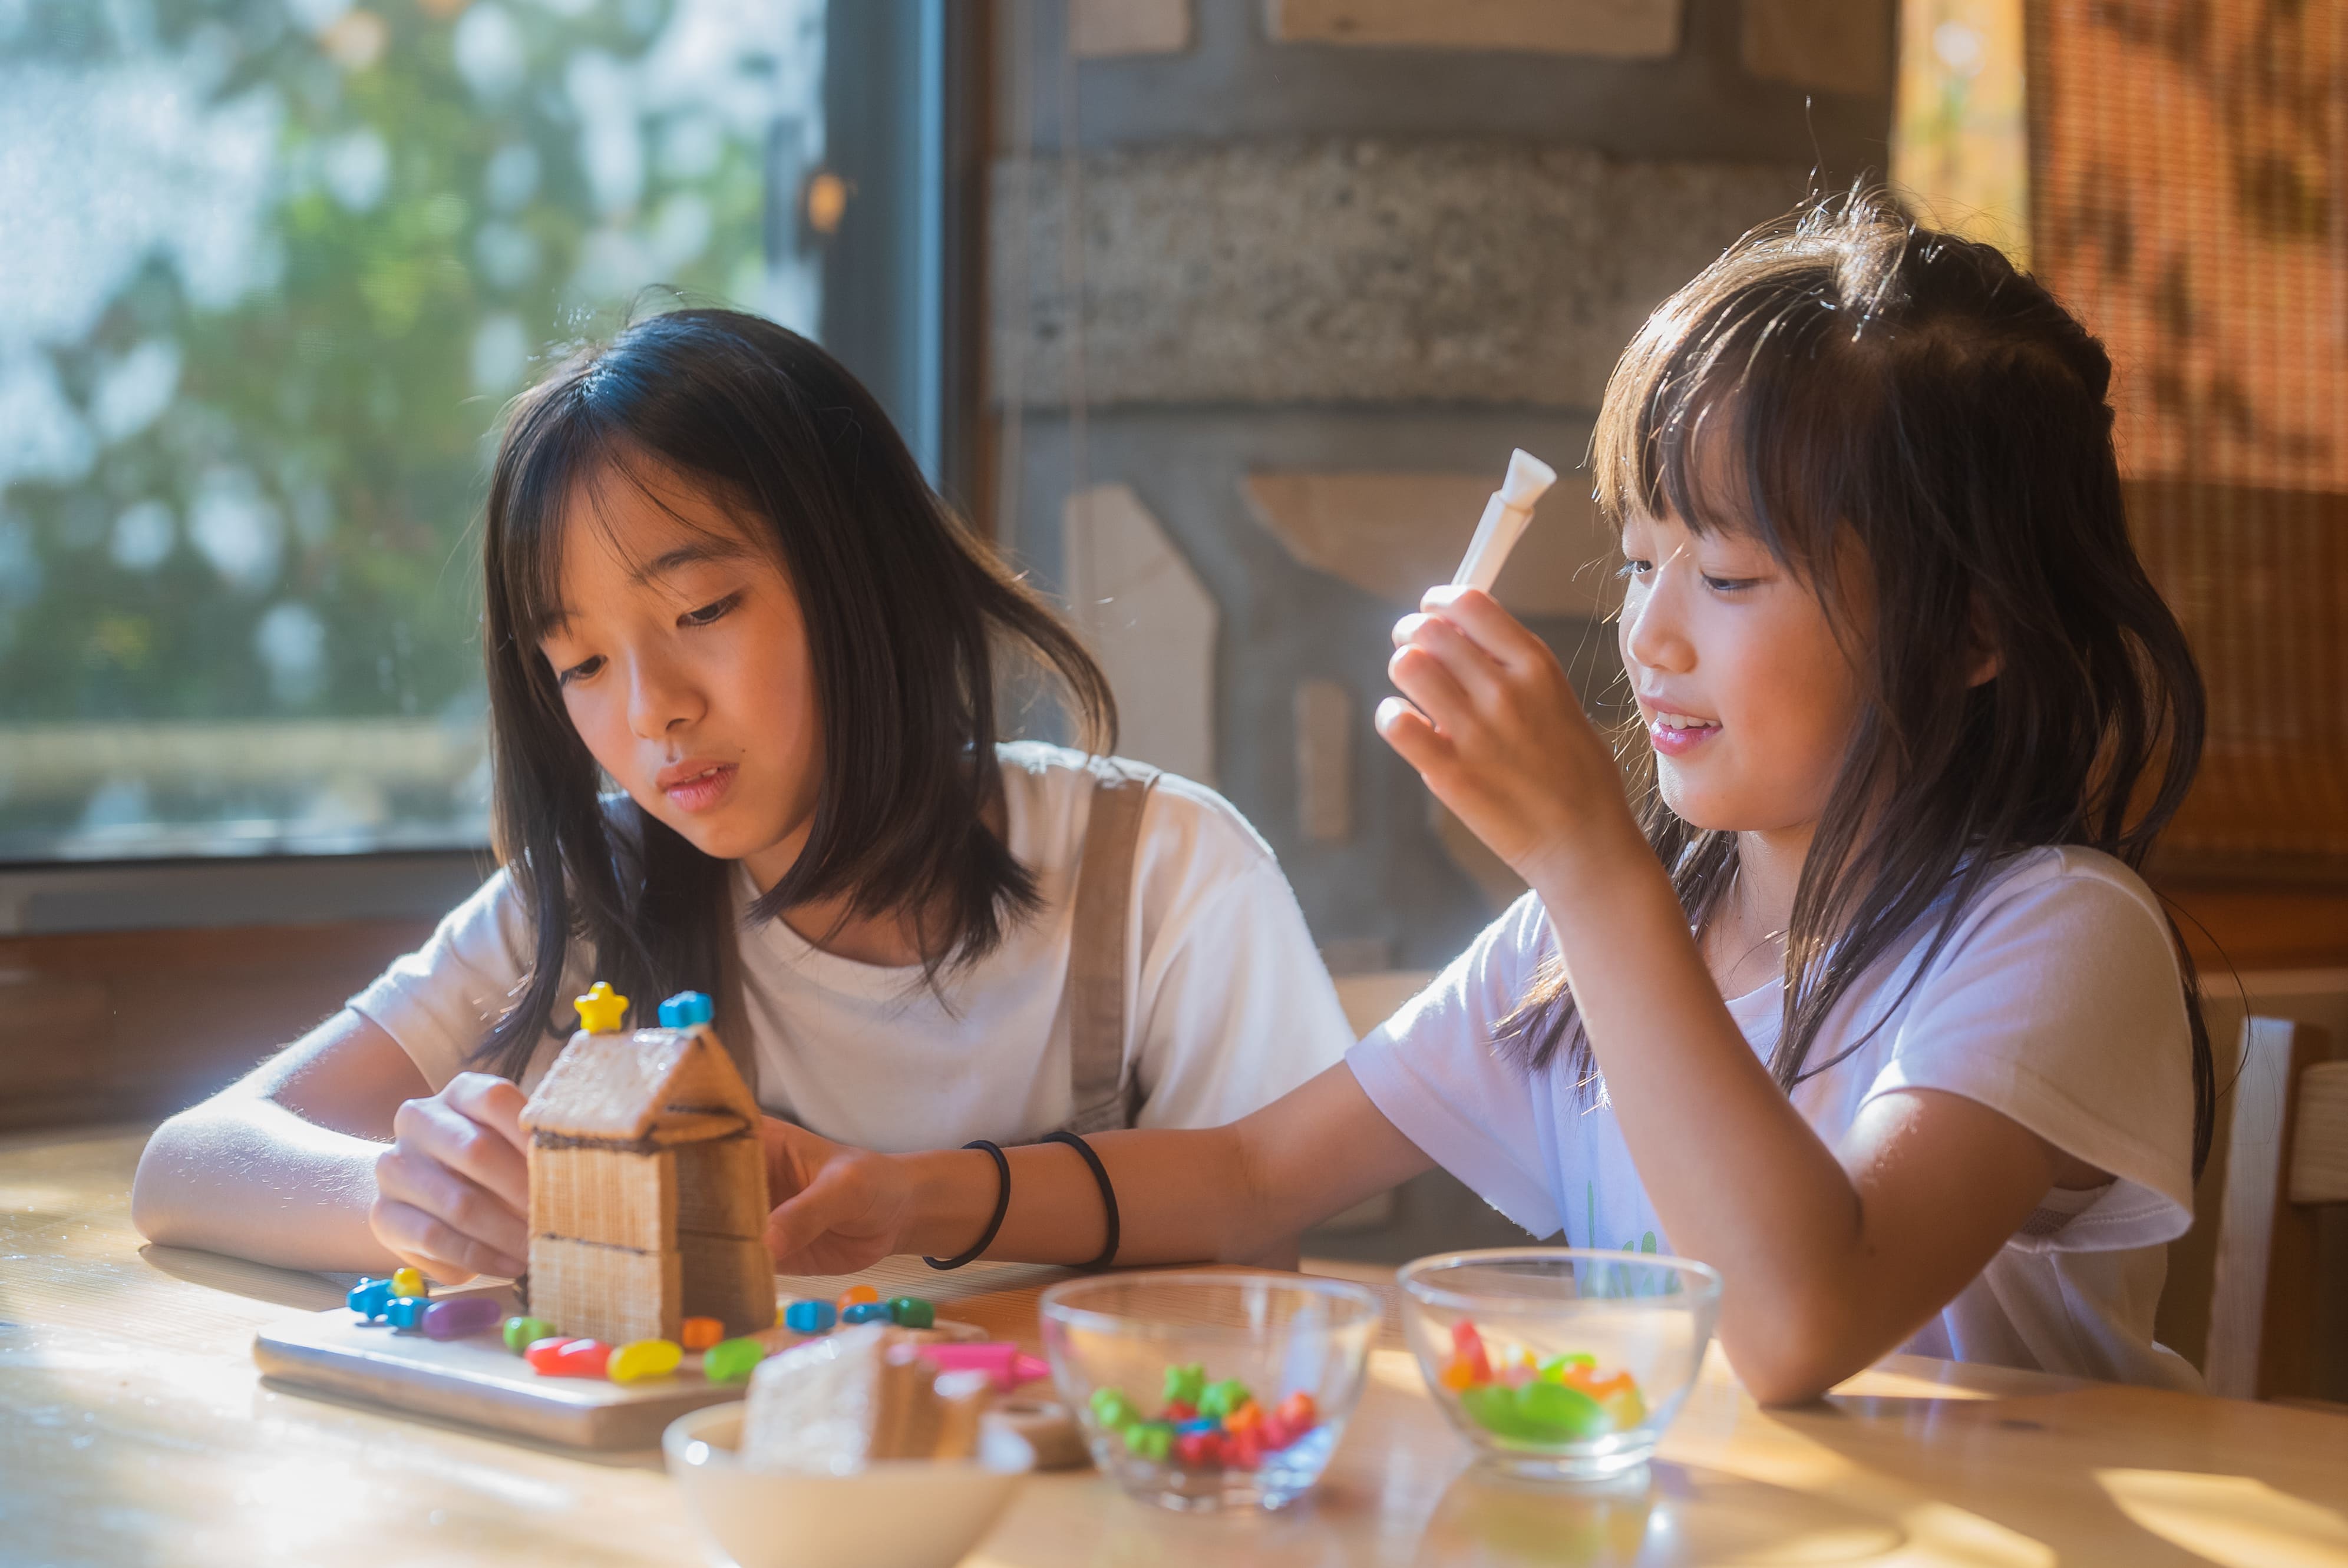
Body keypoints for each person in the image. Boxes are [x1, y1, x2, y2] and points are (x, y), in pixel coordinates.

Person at [755, 198, 2218, 1402]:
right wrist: (907, 1195)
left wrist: (1590, 865)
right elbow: (1260, 1170)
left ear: (1969, 629)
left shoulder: (2054, 934)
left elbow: (1793, 1325)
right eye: (1641, 562)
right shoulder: (1621, 928)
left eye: (1727, 576)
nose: (1648, 636)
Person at [131, 310, 1352, 1282]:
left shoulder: (1162, 869)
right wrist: (401, 1198)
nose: (652, 708)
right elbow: (186, 1164)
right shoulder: (595, 889)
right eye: (584, 663)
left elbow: (1255, 1240)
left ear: (860, 576)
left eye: (702, 610)